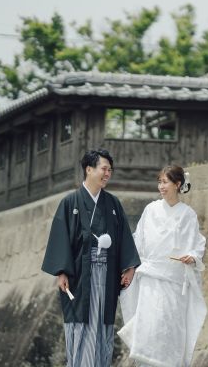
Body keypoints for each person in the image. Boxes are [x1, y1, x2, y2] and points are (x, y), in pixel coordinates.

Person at [41, 148, 141, 367]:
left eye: (110, 170)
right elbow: (61, 238)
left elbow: (124, 236)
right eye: (104, 169)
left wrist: (130, 267)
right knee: (81, 325)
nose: (107, 174)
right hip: (79, 276)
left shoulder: (113, 204)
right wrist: (61, 271)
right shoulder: (70, 203)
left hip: (106, 275)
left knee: (102, 326)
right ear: (89, 169)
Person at [118, 165, 208, 367]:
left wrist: (191, 257)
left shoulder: (188, 214)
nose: (161, 186)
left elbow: (196, 245)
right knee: (149, 330)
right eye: (159, 182)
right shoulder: (151, 209)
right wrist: (130, 267)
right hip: (150, 279)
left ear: (178, 184)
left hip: (174, 283)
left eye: (165, 182)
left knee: (170, 330)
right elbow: (138, 241)